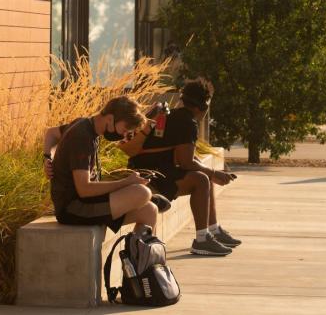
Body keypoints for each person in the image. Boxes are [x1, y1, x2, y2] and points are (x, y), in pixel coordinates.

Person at [122, 80, 240, 256]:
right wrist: (214, 173)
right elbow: (186, 162)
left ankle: (213, 230)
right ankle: (202, 240)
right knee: (201, 179)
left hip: (150, 168)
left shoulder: (176, 115)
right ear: (203, 106)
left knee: (205, 176)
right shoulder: (186, 121)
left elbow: (185, 157)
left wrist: (212, 173)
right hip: (152, 174)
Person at [45, 96, 158, 234]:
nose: (124, 135)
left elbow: (51, 133)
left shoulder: (84, 123)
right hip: (73, 208)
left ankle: (138, 254)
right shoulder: (82, 137)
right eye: (125, 129)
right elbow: (84, 189)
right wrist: (126, 182)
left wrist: (47, 157)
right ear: (110, 118)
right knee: (142, 193)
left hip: (87, 202)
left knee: (150, 211)